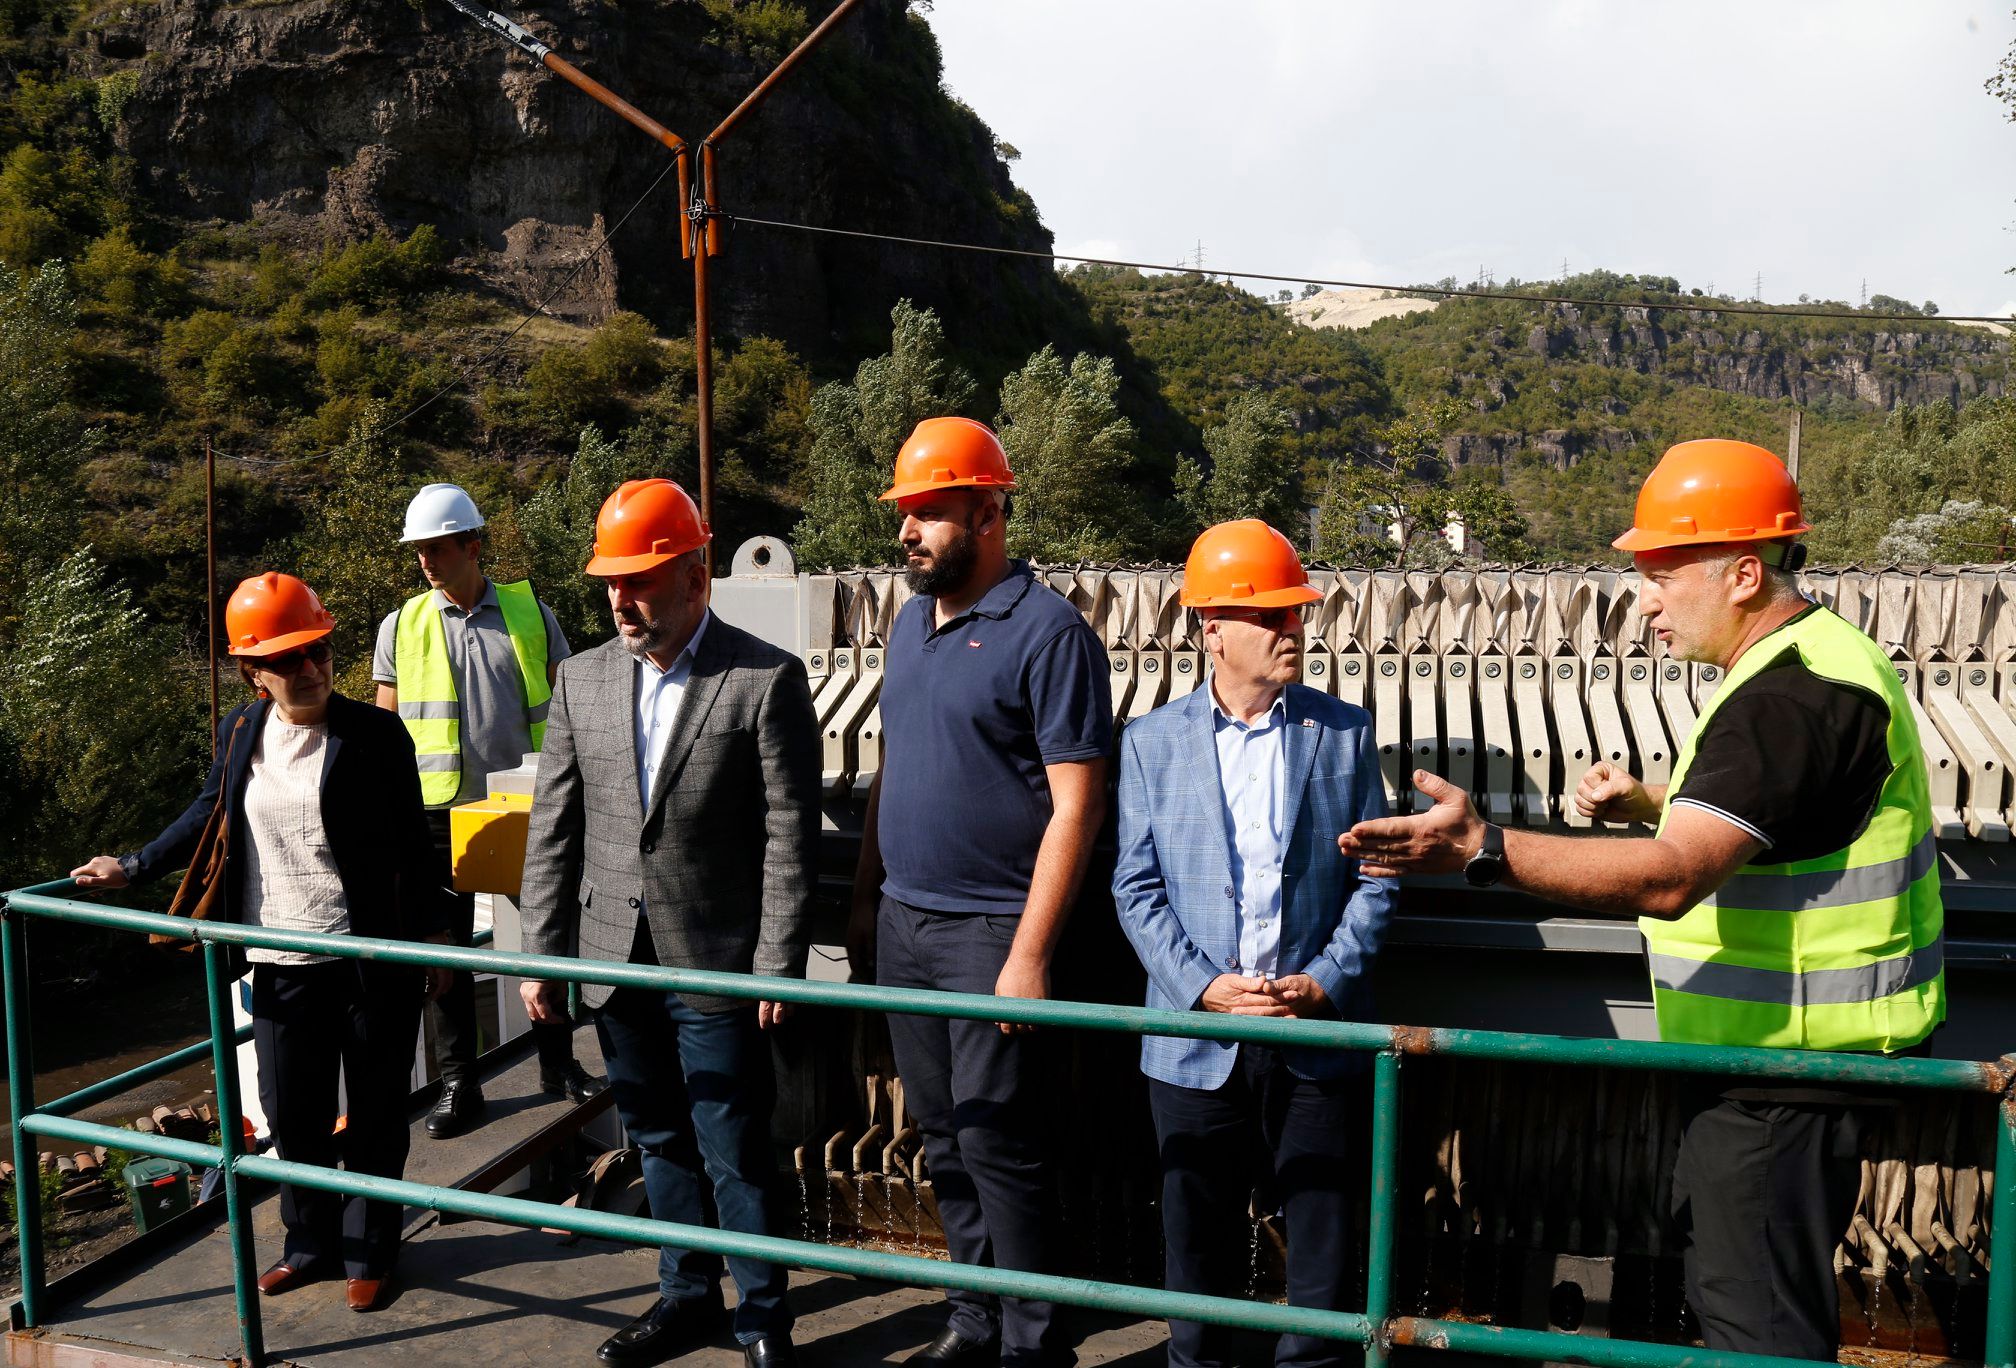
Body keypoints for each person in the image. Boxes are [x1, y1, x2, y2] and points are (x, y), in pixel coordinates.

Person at [1338, 438, 1945, 1361]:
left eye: (1662, 575)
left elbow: (1671, 879)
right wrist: (1653, 802)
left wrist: (1481, 849)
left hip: (1782, 1079)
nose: (1645, 601)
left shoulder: (1789, 697)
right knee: (1745, 1312)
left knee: (1759, 1336)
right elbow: (1785, 816)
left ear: (1745, 574)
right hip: (1775, 1071)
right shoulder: (1811, 665)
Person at [71, 572, 454, 1313]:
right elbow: (209, 810)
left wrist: (434, 933)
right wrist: (135, 865)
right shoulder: (242, 730)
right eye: (285, 659)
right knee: (292, 1115)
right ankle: (308, 1246)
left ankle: (372, 1250)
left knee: (376, 1115)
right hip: (280, 959)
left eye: (318, 651)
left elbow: (415, 841)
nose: (308, 668)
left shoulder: (376, 734)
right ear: (252, 670)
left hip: (371, 960)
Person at [516, 478, 819, 1368]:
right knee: (655, 1135)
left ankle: (763, 1319)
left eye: (639, 581)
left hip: (717, 960)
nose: (620, 599)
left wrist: (776, 963)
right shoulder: (581, 679)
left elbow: (790, 833)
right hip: (614, 957)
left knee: (733, 1143)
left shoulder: (762, 679)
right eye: (611, 582)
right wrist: (543, 959)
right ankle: (685, 1297)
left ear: (695, 577)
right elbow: (554, 828)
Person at [845, 418, 1112, 1368]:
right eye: (905, 513)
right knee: (942, 1133)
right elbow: (894, 767)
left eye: (929, 513)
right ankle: (975, 1314)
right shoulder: (909, 624)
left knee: (1001, 1139)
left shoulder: (1050, 634)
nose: (907, 531)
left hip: (993, 931)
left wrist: (1029, 955)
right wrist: (868, 895)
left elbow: (1078, 805)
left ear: (989, 514)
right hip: (907, 922)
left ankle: (1035, 1343)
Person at [1112, 520, 1395, 1368]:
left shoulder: (1343, 732)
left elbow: (1378, 878)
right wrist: (1202, 987)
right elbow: (1135, 887)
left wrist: (1325, 980)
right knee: (1195, 1237)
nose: (1292, 630)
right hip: (1196, 1037)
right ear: (1213, 630)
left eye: (1295, 614)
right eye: (1271, 616)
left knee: (1321, 1233)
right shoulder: (1151, 743)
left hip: (1314, 1031)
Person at [372, 482, 601, 1141]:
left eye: (438, 548)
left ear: (472, 546)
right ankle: (459, 1083)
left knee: (546, 942)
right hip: (436, 815)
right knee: (445, 955)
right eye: (419, 550)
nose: (425, 561)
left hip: (526, 805)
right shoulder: (401, 626)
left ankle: (557, 1064)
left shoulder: (531, 614)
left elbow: (569, 707)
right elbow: (386, 732)